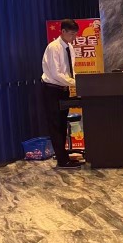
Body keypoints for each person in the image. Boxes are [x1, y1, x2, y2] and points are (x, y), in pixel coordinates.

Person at [41, 19, 81, 170]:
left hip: (64, 90)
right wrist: (74, 82)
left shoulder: (69, 47)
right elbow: (56, 73)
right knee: (55, 125)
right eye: (71, 34)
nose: (74, 37)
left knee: (63, 123)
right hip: (52, 90)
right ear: (63, 31)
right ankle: (62, 160)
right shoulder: (53, 47)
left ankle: (64, 157)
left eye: (75, 34)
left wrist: (76, 81)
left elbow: (71, 69)